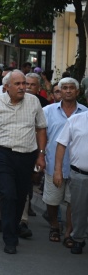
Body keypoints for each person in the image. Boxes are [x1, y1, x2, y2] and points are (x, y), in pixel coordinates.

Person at [0, 70, 47, 254]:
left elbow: (41, 129)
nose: (22, 87)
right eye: (17, 84)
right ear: (6, 87)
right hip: (2, 154)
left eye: (24, 83)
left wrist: (41, 154)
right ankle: (10, 238)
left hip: (27, 155)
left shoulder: (33, 102)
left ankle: (15, 224)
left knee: (20, 195)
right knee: (7, 194)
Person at [43, 78, 86, 247]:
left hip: (77, 166)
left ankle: (69, 232)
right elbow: (42, 136)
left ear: (78, 92)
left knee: (73, 202)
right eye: (64, 88)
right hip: (54, 163)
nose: (68, 91)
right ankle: (54, 225)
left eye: (72, 88)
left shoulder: (84, 113)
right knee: (52, 200)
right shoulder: (47, 111)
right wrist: (40, 156)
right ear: (59, 91)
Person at [53, 106, 88, 254]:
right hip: (80, 174)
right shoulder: (75, 120)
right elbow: (61, 145)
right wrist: (58, 170)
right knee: (79, 210)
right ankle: (78, 239)